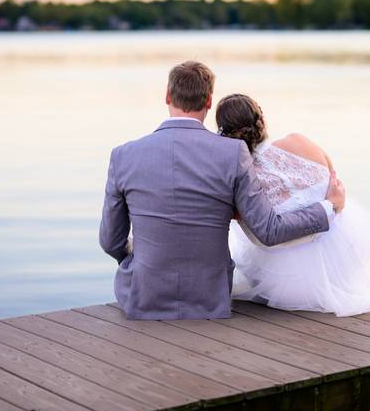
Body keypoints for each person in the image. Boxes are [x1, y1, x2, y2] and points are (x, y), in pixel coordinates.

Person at [99, 61, 347, 320]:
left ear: (167, 96)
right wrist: (330, 206)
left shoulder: (123, 156)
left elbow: (110, 240)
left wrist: (140, 259)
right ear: (208, 101)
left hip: (142, 296)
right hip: (210, 298)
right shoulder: (232, 153)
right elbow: (269, 230)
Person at [216, 93, 370, 317]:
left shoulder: (243, 177)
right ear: (261, 119)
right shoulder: (298, 141)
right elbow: (334, 179)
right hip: (342, 252)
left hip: (286, 283)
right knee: (352, 238)